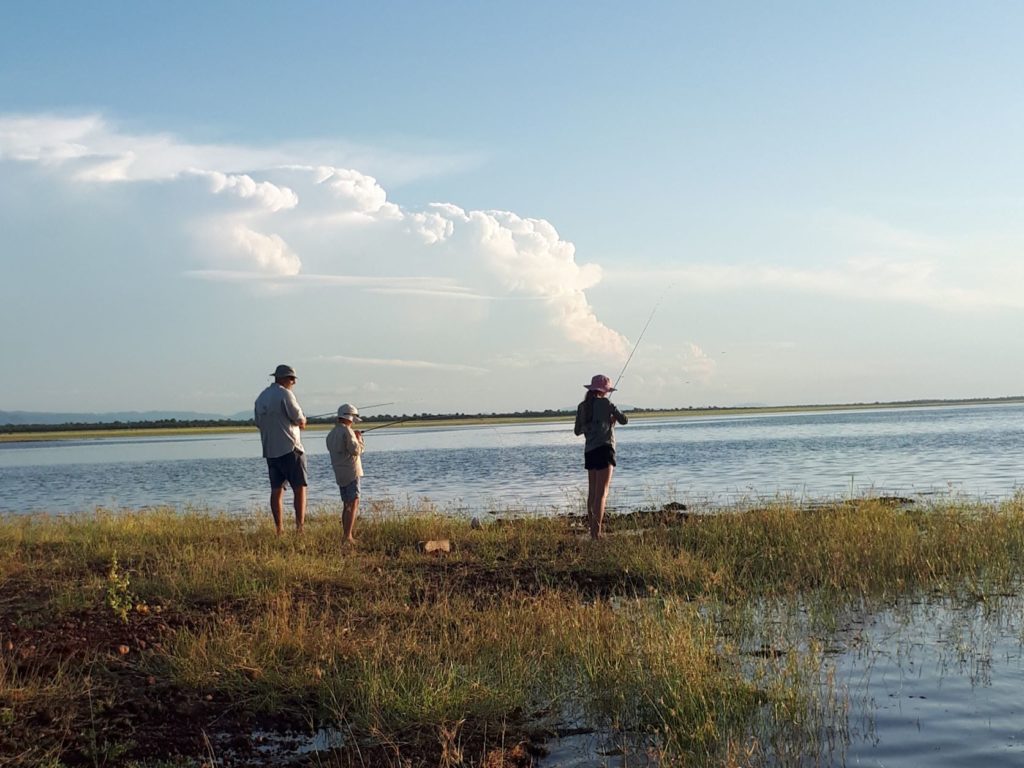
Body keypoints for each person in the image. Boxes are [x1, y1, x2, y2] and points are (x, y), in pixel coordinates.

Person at [254, 364, 308, 535]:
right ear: (283, 379)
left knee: (276, 490)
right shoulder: (285, 394)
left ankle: (279, 529)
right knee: (300, 488)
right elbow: (299, 418)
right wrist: (303, 422)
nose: (293, 382)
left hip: (270, 450)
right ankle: (300, 528)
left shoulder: (261, 397)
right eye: (292, 379)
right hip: (291, 448)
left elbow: (258, 423)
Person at [574, 374, 628, 539]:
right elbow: (624, 420)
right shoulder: (607, 403)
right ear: (604, 391)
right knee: (602, 494)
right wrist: (611, 419)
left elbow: (577, 431)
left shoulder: (582, 406)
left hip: (589, 451)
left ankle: (593, 533)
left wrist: (592, 427)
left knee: (592, 494)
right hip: (605, 449)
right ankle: (596, 535)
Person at [326, 403, 365, 544]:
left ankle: (346, 535)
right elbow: (356, 450)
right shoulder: (347, 432)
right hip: (351, 471)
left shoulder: (332, 433)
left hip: (339, 472)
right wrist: (359, 439)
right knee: (353, 502)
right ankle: (348, 536)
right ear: (350, 417)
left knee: (346, 504)